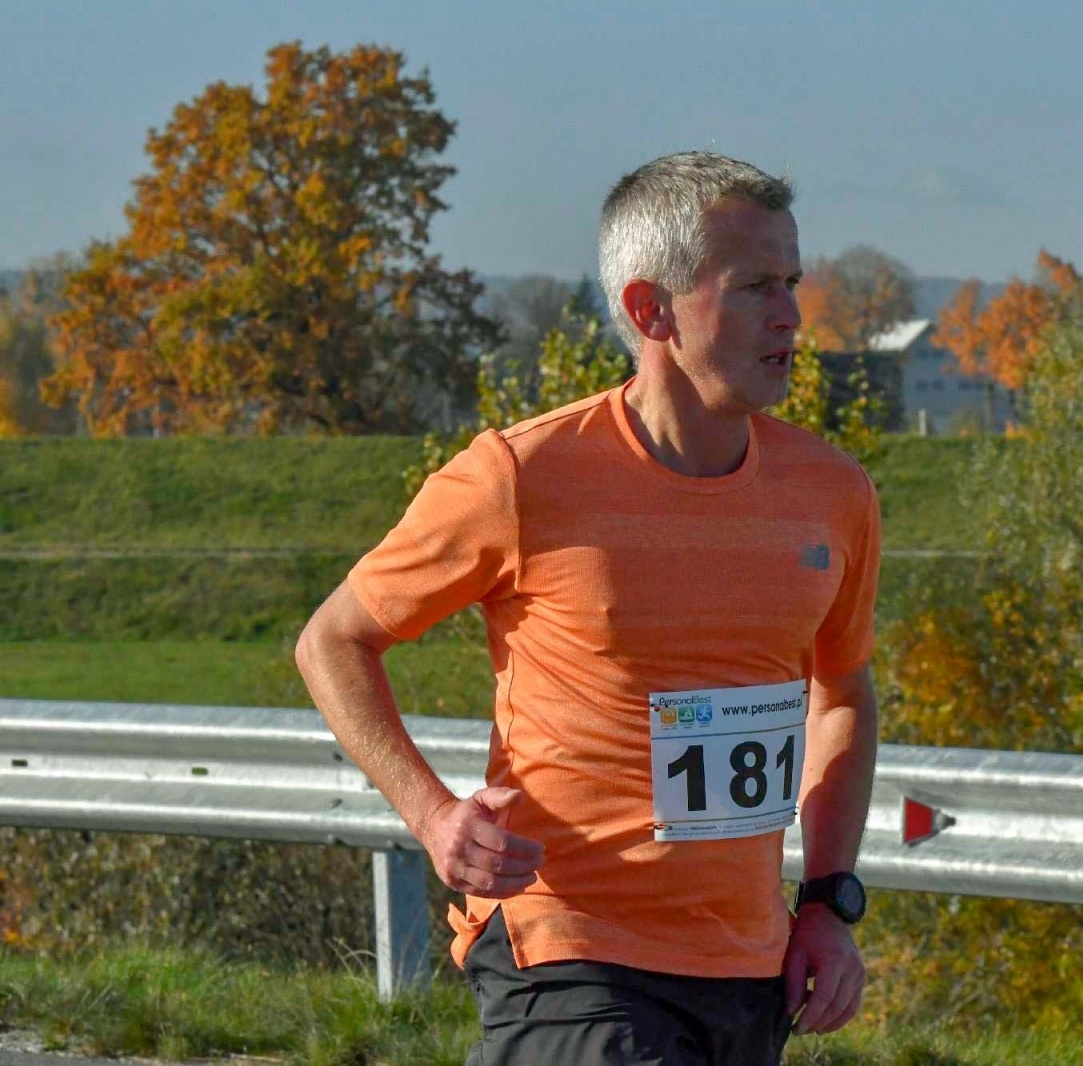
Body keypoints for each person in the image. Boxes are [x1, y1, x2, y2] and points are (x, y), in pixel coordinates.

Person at [295, 150, 881, 1066]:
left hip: (746, 959)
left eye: (793, 282)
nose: (791, 314)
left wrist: (827, 902)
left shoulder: (833, 493)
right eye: (755, 286)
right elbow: (333, 640)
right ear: (652, 311)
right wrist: (434, 815)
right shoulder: (523, 476)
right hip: (568, 944)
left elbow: (841, 693)